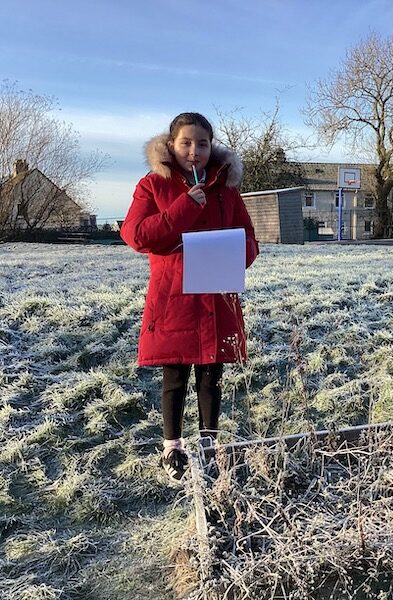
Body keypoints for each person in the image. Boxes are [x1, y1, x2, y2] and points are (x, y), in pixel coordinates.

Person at [120, 112, 259, 482]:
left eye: (202, 143)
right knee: (175, 375)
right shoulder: (153, 185)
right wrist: (185, 206)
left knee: (212, 376)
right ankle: (173, 449)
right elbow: (136, 236)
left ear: (211, 147)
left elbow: (249, 238)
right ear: (171, 145)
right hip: (174, 298)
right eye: (186, 143)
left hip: (216, 294)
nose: (194, 151)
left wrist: (235, 254)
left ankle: (210, 447)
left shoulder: (227, 187)